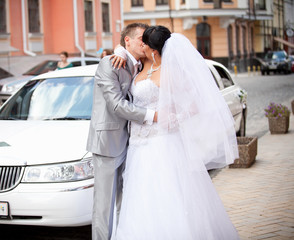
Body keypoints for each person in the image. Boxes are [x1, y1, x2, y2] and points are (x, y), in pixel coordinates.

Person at [114, 26, 240, 239]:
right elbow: (124, 47)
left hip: (163, 143)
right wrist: (118, 49)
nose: (141, 45)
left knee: (169, 196)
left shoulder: (172, 72)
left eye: (145, 43)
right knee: (142, 199)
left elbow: (195, 104)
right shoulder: (140, 65)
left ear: (154, 50)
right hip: (138, 146)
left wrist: (173, 119)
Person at [86, 23, 155, 240]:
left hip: (132, 143)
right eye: (141, 39)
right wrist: (151, 115)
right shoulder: (110, 63)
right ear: (127, 40)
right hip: (107, 142)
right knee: (104, 206)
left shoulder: (139, 62)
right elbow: (115, 105)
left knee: (125, 202)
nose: (145, 43)